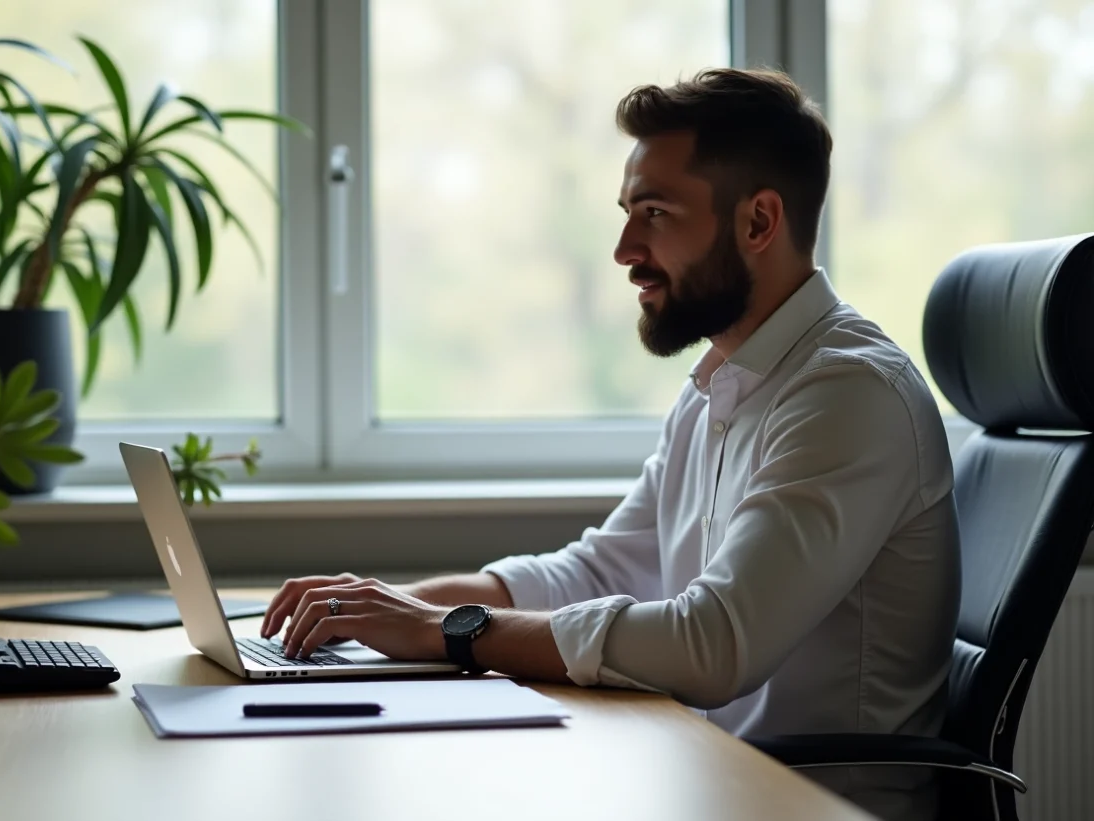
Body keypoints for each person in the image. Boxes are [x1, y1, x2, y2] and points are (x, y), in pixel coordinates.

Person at [261, 67, 960, 821]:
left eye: (655, 213)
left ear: (758, 223)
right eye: (628, 212)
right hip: (699, 776)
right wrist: (371, 611)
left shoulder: (848, 394)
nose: (625, 249)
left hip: (805, 802)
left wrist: (444, 632)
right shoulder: (723, 384)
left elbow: (712, 644)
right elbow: (596, 569)